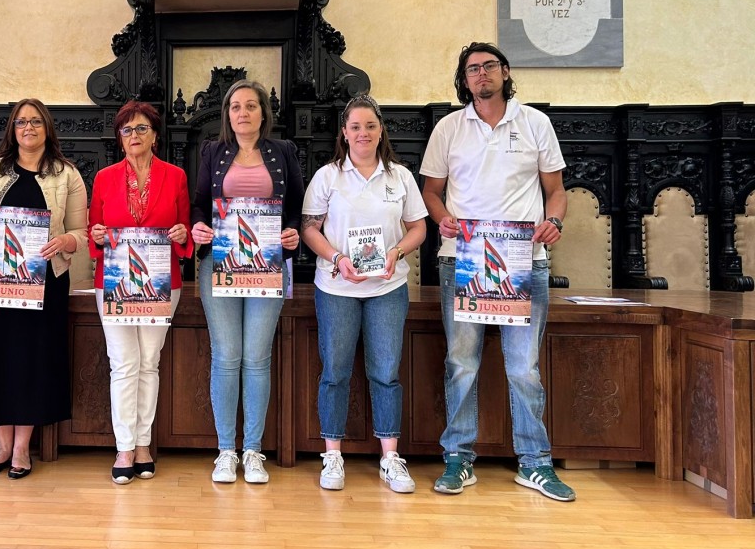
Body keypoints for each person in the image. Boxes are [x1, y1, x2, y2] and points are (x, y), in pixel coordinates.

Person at [420, 41, 574, 502]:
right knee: (461, 363)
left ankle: (535, 464)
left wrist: (555, 220)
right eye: (472, 69)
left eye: (489, 66)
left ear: (505, 72)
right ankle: (459, 459)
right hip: (463, 260)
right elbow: (431, 191)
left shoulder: (535, 123)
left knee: (523, 367)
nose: (481, 75)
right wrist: (440, 216)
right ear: (464, 80)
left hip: (524, 261)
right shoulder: (449, 128)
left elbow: (557, 191)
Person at [0, 99, 88, 479]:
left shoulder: (66, 174)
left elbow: (83, 232)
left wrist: (66, 243)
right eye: (21, 122)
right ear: (12, 129)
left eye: (35, 121)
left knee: (31, 360)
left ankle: (23, 447)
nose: (28, 128)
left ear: (47, 127)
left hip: (43, 284)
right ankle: (3, 444)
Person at [301, 94, 427, 492]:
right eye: (355, 126)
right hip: (336, 287)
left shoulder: (400, 177)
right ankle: (333, 456)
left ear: (380, 130)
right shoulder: (328, 177)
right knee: (335, 372)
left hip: (388, 287)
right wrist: (338, 259)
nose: (363, 133)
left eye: (370, 126)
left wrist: (396, 252)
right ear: (344, 132)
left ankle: (390, 458)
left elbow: (418, 228)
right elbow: (309, 228)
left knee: (386, 373)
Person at [190, 79, 304, 484]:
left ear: (262, 113)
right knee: (226, 355)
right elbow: (200, 203)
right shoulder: (212, 152)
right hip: (219, 265)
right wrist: (199, 225)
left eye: (250, 106)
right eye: (235, 107)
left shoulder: (284, 152)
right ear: (227, 115)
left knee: (256, 357)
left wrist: (292, 233)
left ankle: (252, 450)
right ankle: (226, 450)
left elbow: (295, 209)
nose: (243, 113)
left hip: (267, 266)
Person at [88, 101, 192, 484]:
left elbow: (184, 227)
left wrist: (182, 235)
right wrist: (97, 236)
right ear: (120, 138)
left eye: (141, 129)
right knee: (123, 362)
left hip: (161, 280)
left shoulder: (176, 175)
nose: (134, 136)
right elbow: (92, 230)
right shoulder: (103, 178)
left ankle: (144, 444)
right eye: (127, 130)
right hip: (114, 281)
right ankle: (124, 447)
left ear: (155, 135)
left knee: (149, 360)